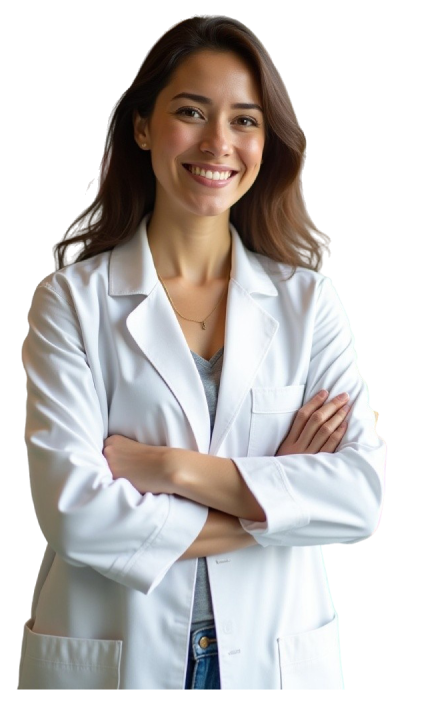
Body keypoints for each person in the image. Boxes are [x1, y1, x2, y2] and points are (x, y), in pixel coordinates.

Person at [18, 15, 387, 691]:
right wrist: (278, 494)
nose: (218, 142)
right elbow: (75, 515)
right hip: (116, 649)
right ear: (142, 127)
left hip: (274, 650)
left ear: (266, 141)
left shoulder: (309, 303)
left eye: (245, 120)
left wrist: (169, 468)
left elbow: (359, 498)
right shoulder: (71, 301)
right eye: (191, 112)